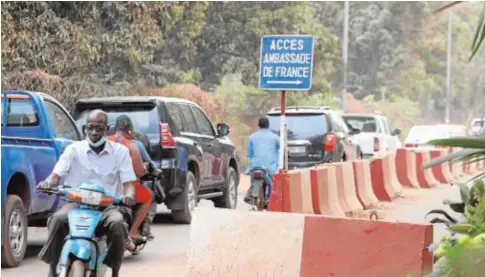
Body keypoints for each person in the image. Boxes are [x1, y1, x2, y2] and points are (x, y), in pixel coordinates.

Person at [37, 109, 136, 277]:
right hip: (76, 204)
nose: (94, 132)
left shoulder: (120, 152)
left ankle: (115, 269)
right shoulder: (73, 149)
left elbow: (129, 184)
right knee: (57, 219)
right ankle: (52, 267)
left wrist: (129, 196)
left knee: (118, 224)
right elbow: (55, 176)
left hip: (107, 206)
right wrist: (47, 183)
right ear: (85, 129)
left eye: (99, 128)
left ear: (107, 129)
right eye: (91, 128)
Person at [108, 115, 153, 243]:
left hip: (105, 185)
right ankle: (133, 231)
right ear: (129, 130)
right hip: (124, 188)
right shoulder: (131, 146)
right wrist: (144, 167)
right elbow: (139, 171)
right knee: (147, 197)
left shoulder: (104, 141)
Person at [245, 116, 280, 206]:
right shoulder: (275, 137)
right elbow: (282, 149)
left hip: (255, 167)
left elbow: (249, 154)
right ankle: (269, 199)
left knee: (253, 179)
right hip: (270, 168)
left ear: (258, 126)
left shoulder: (252, 137)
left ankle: (250, 194)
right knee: (272, 184)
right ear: (268, 125)